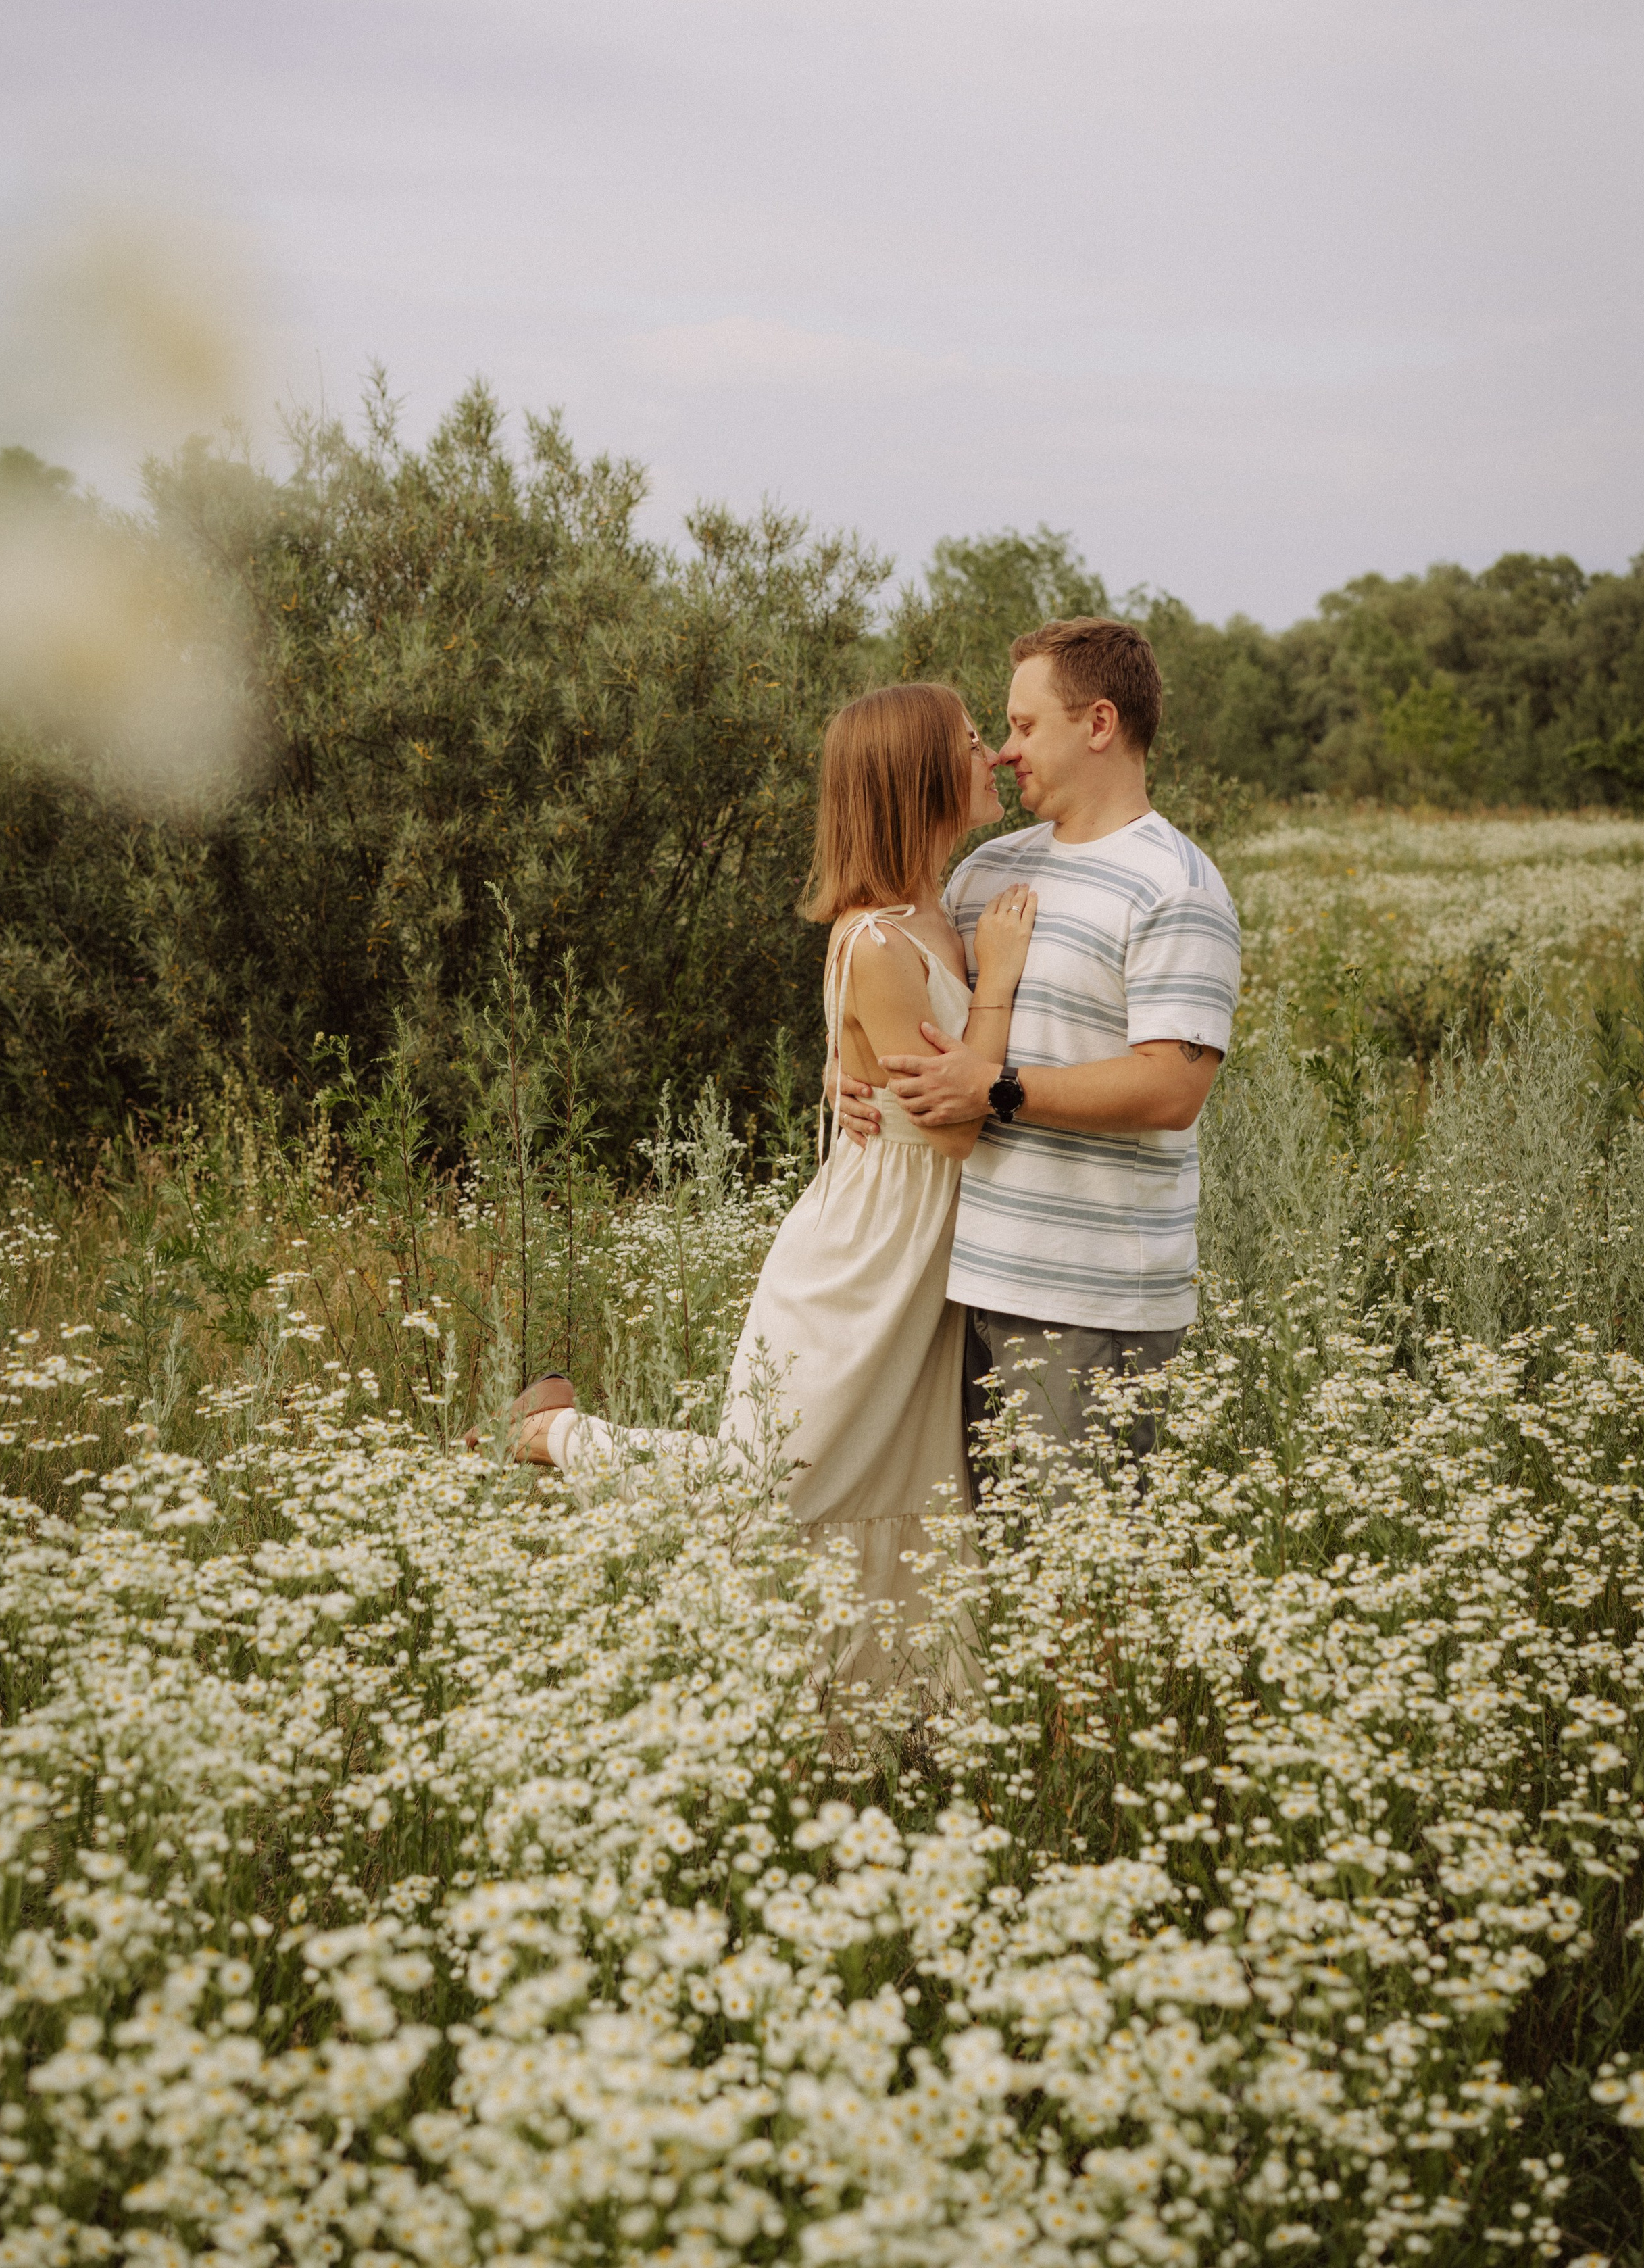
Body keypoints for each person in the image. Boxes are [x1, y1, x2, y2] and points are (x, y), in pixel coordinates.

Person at [489, 681, 1039, 1677]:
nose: (993, 756)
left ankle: (890, 1726)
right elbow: (955, 1133)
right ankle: (554, 1433)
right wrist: (996, 981)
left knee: (909, 1477)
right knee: (772, 1483)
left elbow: (891, 1065)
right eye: (971, 741)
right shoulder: (878, 938)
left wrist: (850, 1062)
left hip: (924, 1256)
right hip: (866, 1255)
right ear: (919, 773)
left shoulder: (942, 911)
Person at [839, 617, 1240, 1488]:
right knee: (987, 1577)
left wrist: (1000, 1090)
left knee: (1084, 1585)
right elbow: (918, 1012)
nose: (1006, 751)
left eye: (1024, 727)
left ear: (1098, 724)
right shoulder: (983, 874)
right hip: (966, 1284)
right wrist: (855, 1075)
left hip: (1095, 1303)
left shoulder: (1178, 886)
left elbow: (1173, 1089)